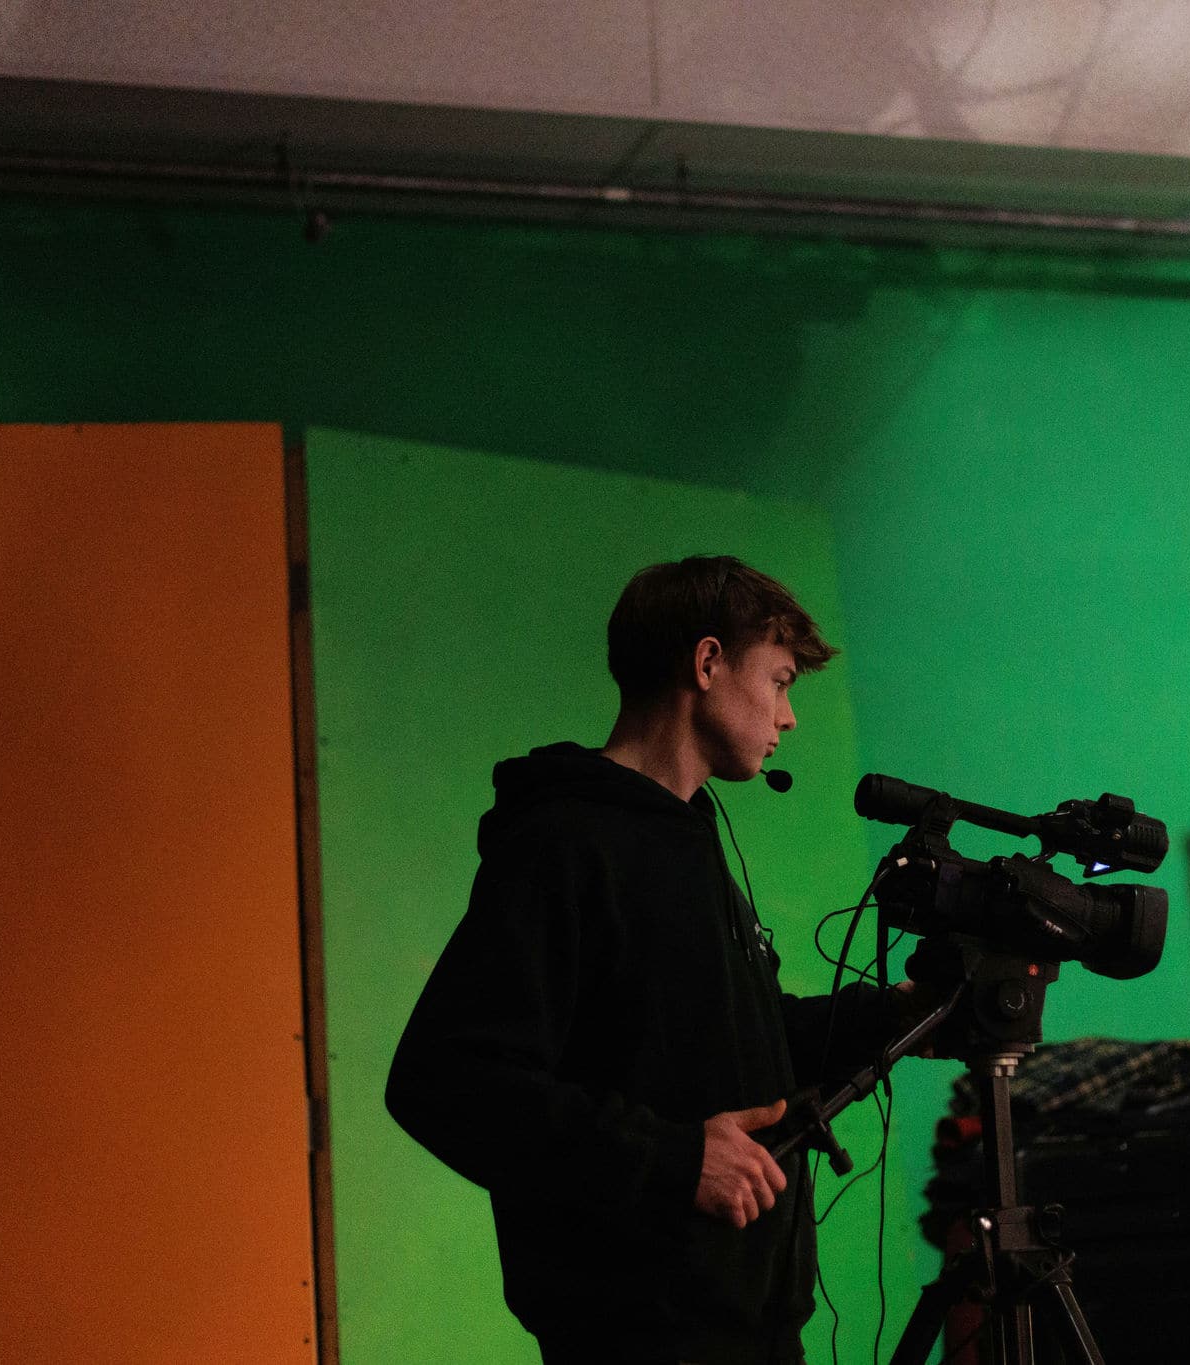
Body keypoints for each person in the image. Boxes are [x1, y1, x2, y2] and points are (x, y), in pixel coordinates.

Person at [387, 555, 909, 1365]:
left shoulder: (691, 838)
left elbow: (746, 1048)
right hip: (643, 1340)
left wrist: (902, 1012)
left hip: (757, 1335)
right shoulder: (565, 840)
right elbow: (445, 1077)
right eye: (779, 681)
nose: (790, 716)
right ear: (707, 663)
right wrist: (675, 1161)